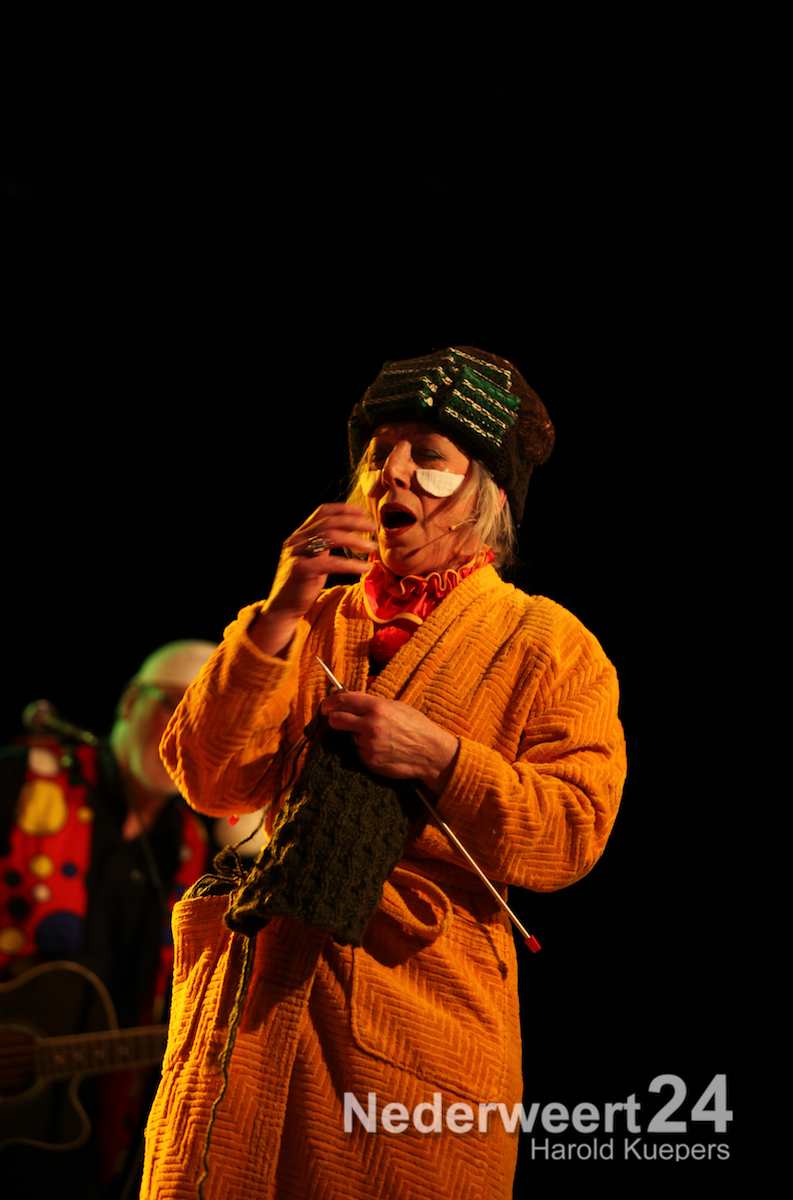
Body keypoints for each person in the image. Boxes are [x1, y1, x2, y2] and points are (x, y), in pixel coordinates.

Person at [140, 347, 628, 1200]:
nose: (389, 472)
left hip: (412, 1041)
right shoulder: (308, 618)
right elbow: (209, 780)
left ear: (489, 493)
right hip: (250, 1023)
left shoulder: (550, 645)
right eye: (378, 453)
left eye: (428, 456)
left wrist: (442, 759)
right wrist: (279, 613)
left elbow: (572, 831)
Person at [0, 639, 216, 1199]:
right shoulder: (21, 779)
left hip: (84, 1137)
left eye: (208, 714)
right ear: (128, 703)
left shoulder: (191, 847)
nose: (186, 727)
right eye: (174, 703)